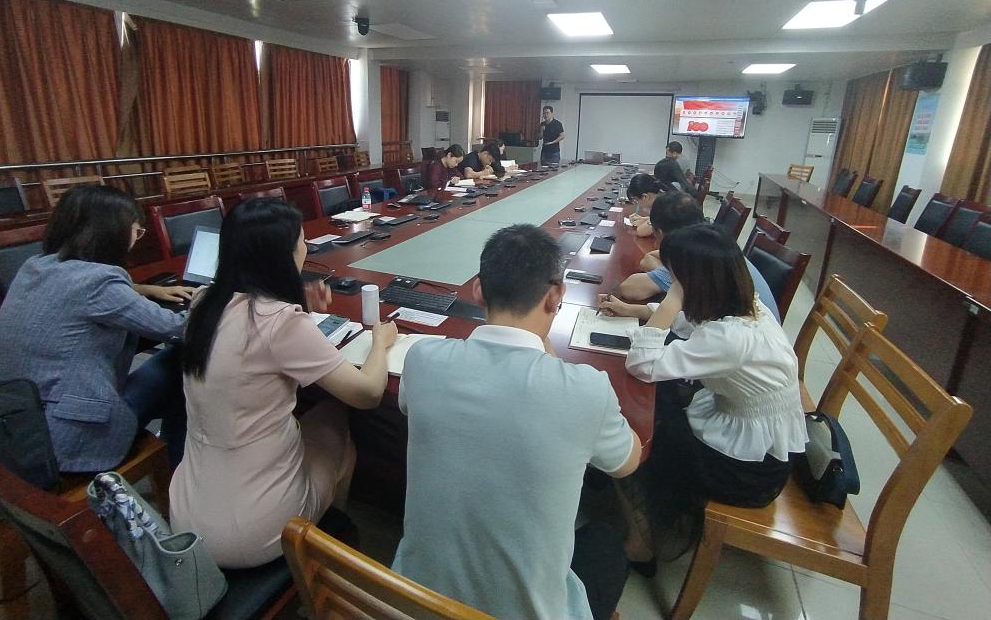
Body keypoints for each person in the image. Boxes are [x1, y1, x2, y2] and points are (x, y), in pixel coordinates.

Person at [393, 224, 640, 620]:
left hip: (413, 602)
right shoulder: (585, 389)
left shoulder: (423, 358)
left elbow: (408, 406)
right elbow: (627, 462)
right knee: (607, 541)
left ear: (478, 291)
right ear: (556, 296)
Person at [169, 198, 397, 568]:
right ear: (284, 256)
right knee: (341, 422)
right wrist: (380, 343)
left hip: (187, 513)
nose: (306, 248)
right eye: (302, 242)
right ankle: (326, 552)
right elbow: (368, 394)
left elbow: (253, 344)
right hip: (254, 532)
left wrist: (300, 308)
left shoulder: (202, 303)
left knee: (318, 412)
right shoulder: (281, 322)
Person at [600, 223, 807, 569]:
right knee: (658, 400)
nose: (671, 281)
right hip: (757, 442)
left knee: (633, 433)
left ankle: (643, 542)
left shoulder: (730, 339)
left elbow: (642, 364)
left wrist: (671, 297)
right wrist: (638, 311)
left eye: (674, 276)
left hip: (747, 470)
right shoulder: (747, 307)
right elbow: (690, 323)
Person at [0, 185, 194, 471]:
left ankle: (176, 457)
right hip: (68, 438)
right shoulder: (100, 282)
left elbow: (81, 291)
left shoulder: (34, 266)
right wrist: (212, 297)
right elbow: (179, 327)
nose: (137, 239)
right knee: (181, 361)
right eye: (137, 231)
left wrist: (143, 289)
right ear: (113, 233)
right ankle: (179, 468)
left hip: (15, 429)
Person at [616, 192, 781, 320]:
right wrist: (673, 276)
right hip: (754, 330)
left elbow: (629, 288)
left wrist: (675, 278)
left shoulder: (695, 259)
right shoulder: (711, 242)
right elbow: (649, 259)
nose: (655, 244)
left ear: (661, 234)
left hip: (741, 342)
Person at [625, 173, 665, 238]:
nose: (637, 204)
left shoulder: (664, 206)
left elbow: (641, 232)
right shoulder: (664, 195)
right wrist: (644, 219)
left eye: (636, 200)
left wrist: (647, 223)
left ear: (645, 197)